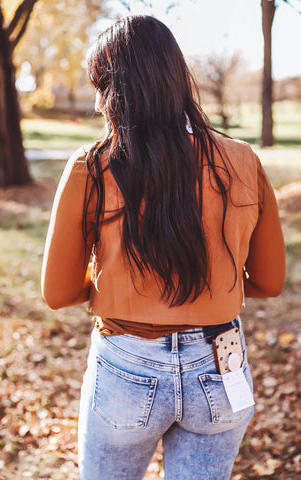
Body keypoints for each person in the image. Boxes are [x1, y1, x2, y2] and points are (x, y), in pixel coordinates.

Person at [41, 15, 285, 480]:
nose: (96, 102)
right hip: (220, 363)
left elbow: (57, 293)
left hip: (126, 367)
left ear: (115, 91)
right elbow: (271, 283)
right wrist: (210, 287)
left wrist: (116, 284)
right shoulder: (242, 160)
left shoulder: (91, 168)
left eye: (100, 86)